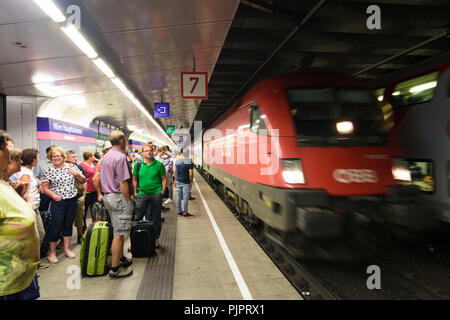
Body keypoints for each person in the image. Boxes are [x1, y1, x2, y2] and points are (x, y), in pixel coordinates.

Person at [0, 131, 41, 300]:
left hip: (23, 275)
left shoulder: (3, 182)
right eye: (7, 148)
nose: (12, 156)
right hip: (7, 284)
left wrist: (17, 195)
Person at [97, 130, 134, 278]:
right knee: (119, 235)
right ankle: (115, 269)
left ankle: (121, 258)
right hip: (119, 198)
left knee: (116, 229)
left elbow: (97, 177)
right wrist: (129, 201)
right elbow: (123, 183)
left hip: (108, 197)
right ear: (123, 141)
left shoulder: (105, 157)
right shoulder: (120, 157)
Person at [42, 147, 86, 263]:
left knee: (68, 225)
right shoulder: (49, 171)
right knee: (55, 226)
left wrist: (76, 173)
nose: (56, 158)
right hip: (58, 202)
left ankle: (67, 249)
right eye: (53, 157)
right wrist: (54, 196)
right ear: (51, 158)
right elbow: (44, 188)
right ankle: (52, 253)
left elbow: (83, 181)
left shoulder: (71, 167)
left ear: (63, 157)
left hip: (72, 200)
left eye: (58, 156)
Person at [16, 148, 49, 270]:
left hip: (35, 208)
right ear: (32, 159)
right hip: (31, 209)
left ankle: (35, 262)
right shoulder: (25, 173)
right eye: (37, 157)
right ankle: (31, 265)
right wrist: (28, 203)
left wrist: (40, 184)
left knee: (40, 234)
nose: (38, 159)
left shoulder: (30, 172)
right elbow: (25, 192)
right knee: (36, 236)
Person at [132, 142, 167, 249]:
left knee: (156, 217)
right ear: (142, 153)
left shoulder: (159, 165)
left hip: (156, 194)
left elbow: (163, 178)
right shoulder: (137, 165)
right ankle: (134, 241)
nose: (150, 152)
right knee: (137, 217)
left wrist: (162, 191)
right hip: (142, 194)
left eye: (151, 150)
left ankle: (155, 239)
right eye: (147, 151)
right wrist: (135, 192)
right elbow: (134, 179)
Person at [66, 150, 87, 244]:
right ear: (66, 158)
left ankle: (79, 236)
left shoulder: (77, 167)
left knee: (79, 218)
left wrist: (84, 195)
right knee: (66, 220)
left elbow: (84, 180)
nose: (76, 158)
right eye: (73, 157)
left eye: (76, 156)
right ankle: (64, 239)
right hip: (66, 197)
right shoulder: (63, 168)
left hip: (78, 196)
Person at [35, 145, 56, 213]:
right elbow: (35, 176)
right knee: (44, 211)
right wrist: (40, 186)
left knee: (55, 211)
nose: (54, 152)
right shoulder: (40, 163)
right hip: (44, 192)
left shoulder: (57, 162)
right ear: (47, 153)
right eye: (52, 150)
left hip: (56, 191)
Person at [173, 148, 194, 218]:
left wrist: (175, 180)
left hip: (179, 180)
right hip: (186, 181)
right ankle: (185, 212)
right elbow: (191, 174)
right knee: (185, 197)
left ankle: (179, 211)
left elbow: (175, 171)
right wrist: (191, 182)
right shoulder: (188, 161)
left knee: (179, 196)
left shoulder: (177, 160)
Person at [80, 150, 98, 229]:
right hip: (87, 191)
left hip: (95, 190)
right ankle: (83, 227)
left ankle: (95, 226)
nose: (94, 157)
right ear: (89, 157)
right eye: (93, 156)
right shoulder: (82, 166)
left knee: (94, 210)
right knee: (84, 211)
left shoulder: (93, 164)